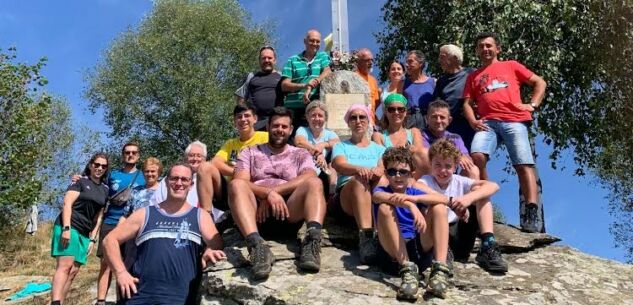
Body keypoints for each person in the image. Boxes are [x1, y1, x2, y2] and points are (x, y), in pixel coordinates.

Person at [103, 163, 225, 305]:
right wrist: (121, 273)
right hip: (139, 297)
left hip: (181, 298)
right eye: (174, 178)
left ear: (191, 185)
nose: (179, 183)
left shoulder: (200, 216)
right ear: (166, 182)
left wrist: (210, 249)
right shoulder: (144, 213)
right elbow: (109, 240)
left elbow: (217, 242)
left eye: (184, 179)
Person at [228, 107, 326, 279]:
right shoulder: (250, 152)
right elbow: (241, 180)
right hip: (257, 214)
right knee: (236, 185)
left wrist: (273, 192)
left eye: (284, 126)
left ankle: (312, 241)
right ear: (267, 127)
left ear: (290, 129)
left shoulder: (300, 153)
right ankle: (257, 246)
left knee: (314, 182)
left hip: (289, 211)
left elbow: (309, 175)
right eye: (275, 126)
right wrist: (266, 194)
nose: (279, 130)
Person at [463, 32, 547, 233]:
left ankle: (532, 210)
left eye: (489, 45)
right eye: (481, 46)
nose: (485, 49)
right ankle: (483, 196)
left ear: (497, 49)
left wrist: (532, 105)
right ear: (477, 51)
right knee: (477, 155)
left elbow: (540, 82)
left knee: (523, 164)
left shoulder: (511, 65)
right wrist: (473, 121)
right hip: (488, 123)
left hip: (514, 120)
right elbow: (467, 103)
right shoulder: (474, 76)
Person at [371, 147, 451, 300]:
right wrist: (410, 206)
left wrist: (415, 200)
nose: (398, 176)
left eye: (403, 172)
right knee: (385, 208)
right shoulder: (380, 191)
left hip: (418, 251)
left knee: (439, 208)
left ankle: (440, 271)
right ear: (386, 174)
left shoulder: (414, 193)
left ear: (411, 174)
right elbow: (378, 197)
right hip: (393, 254)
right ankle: (407, 270)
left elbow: (444, 199)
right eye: (392, 172)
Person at [418, 139, 508, 273]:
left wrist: (467, 199)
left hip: (459, 235)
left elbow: (493, 186)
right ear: (430, 164)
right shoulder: (425, 181)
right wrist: (452, 202)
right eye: (437, 165)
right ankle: (440, 254)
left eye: (448, 166)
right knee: (435, 206)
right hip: (434, 236)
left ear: (455, 167)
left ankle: (488, 244)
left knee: (482, 194)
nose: (442, 170)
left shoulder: (460, 181)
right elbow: (418, 188)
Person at [50, 153, 109, 305]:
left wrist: (92, 239)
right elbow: (67, 203)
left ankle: (59, 301)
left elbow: (99, 217)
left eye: (103, 166)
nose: (99, 168)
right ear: (90, 165)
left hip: (85, 232)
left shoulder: (105, 189)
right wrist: (66, 228)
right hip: (70, 226)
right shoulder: (80, 182)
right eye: (96, 164)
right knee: (65, 266)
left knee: (73, 272)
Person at [196, 103, 269, 224]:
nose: (243, 119)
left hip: (257, 189)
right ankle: (206, 218)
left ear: (255, 119)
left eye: (247, 116)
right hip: (231, 191)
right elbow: (216, 162)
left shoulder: (265, 138)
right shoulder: (230, 143)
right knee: (204, 167)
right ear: (234, 121)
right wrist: (239, 173)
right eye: (239, 117)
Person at [331, 104, 386, 264]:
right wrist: (359, 169)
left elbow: (382, 168)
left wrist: (376, 172)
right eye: (353, 118)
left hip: (372, 192)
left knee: (382, 180)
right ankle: (366, 237)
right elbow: (339, 164)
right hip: (347, 196)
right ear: (348, 123)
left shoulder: (379, 149)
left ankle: (380, 235)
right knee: (359, 179)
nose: (358, 121)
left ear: (368, 121)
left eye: (362, 117)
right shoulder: (340, 146)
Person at [96, 142, 145, 305]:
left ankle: (121, 300)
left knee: (126, 264)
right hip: (110, 221)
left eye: (133, 152)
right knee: (107, 262)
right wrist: (79, 179)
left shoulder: (144, 176)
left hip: (133, 226)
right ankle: (101, 300)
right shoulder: (113, 175)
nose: (130, 155)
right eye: (127, 152)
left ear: (138, 155)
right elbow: (95, 183)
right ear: (123, 155)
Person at [151, 141, 224, 222]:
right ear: (186, 158)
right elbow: (155, 202)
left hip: (204, 223)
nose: (195, 159)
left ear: (205, 159)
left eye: (199, 156)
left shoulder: (212, 180)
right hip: (169, 221)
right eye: (191, 155)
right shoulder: (170, 179)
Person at [281, 29, 332, 128]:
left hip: (313, 109)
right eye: (312, 40)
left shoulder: (323, 56)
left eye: (317, 41)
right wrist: (304, 85)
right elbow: (284, 85)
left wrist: (315, 82)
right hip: (292, 109)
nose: (315, 43)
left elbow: (327, 71)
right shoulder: (292, 60)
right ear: (305, 41)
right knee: (292, 140)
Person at [121, 157, 163, 272]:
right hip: (134, 236)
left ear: (158, 172)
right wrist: (119, 234)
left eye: (153, 171)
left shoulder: (164, 191)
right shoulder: (135, 190)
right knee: (128, 267)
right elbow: (125, 214)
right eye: (147, 171)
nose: (150, 174)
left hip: (155, 235)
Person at [372, 93, 428, 178]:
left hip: (411, 176)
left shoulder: (414, 132)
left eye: (400, 109)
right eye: (391, 109)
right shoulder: (379, 136)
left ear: (405, 112)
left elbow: (420, 156)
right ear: (386, 112)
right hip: (390, 177)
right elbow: (381, 161)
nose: (396, 112)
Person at [423, 100, 479, 180]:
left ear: (449, 120)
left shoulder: (455, 138)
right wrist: (458, 156)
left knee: (473, 170)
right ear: (427, 119)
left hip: (449, 176)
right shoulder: (420, 134)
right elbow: (426, 158)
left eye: (442, 117)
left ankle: (472, 192)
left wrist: (462, 156)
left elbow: (467, 159)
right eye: (434, 117)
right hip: (428, 177)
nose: (438, 121)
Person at [433, 44, 476, 149]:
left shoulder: (471, 73)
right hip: (449, 126)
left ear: (455, 58)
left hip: (469, 123)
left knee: (473, 157)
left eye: (442, 56)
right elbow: (437, 103)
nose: (439, 60)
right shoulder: (441, 81)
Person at [293, 100, 339, 196]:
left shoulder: (330, 133)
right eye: (313, 115)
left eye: (320, 116)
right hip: (306, 169)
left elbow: (337, 143)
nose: (316, 118)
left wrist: (322, 145)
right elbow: (299, 142)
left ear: (325, 118)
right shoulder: (303, 130)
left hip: (325, 170)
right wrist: (318, 153)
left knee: (334, 160)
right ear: (307, 117)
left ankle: (332, 194)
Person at [235, 46, 284, 130]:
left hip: (278, 122)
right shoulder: (251, 76)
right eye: (263, 58)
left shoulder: (282, 76)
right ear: (259, 61)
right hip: (256, 124)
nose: (266, 60)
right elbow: (241, 98)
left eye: (269, 58)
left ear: (275, 60)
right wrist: (243, 118)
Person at [403, 50, 435, 130]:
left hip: (428, 121)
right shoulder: (403, 83)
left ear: (420, 63)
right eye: (406, 62)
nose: (407, 65)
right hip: (410, 122)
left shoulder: (433, 82)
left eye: (410, 61)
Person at [354, 48, 380, 120]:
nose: (371, 63)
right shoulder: (353, 77)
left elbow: (375, 103)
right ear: (358, 62)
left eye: (372, 60)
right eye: (367, 60)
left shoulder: (373, 80)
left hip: (371, 123)